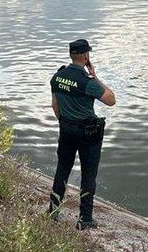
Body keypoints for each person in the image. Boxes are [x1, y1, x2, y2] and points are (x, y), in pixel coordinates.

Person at [48, 39, 116, 230]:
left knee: (62, 168)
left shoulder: (57, 77)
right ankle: (85, 219)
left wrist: (64, 122)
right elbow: (111, 100)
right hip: (88, 133)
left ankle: (53, 210)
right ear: (86, 56)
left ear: (71, 55)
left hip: (66, 128)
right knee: (88, 174)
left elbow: (55, 105)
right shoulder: (88, 82)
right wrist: (95, 76)